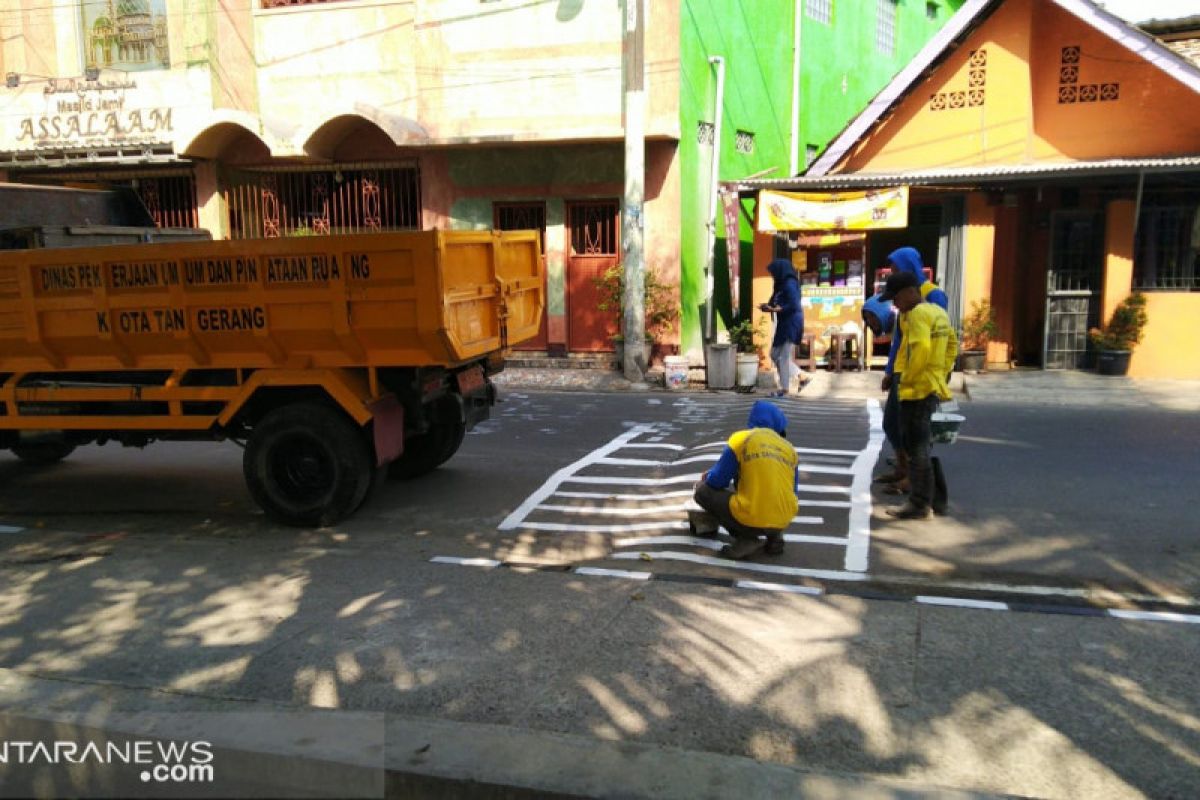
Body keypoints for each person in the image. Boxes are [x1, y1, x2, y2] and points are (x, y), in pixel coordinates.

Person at [877, 270, 958, 520]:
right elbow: (953, 345)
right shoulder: (938, 312)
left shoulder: (918, 314)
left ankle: (920, 503)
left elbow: (921, 348)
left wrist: (909, 380)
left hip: (917, 388)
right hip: (931, 385)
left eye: (897, 298)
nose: (895, 304)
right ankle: (931, 500)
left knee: (916, 447)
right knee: (920, 444)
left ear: (911, 292)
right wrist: (941, 372)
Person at [690, 400, 799, 559]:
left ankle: (746, 538)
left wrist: (709, 476)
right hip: (784, 516)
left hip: (753, 513)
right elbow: (792, 490)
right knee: (774, 496)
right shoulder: (789, 449)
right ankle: (775, 536)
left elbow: (717, 481)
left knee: (702, 491)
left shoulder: (742, 440)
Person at [760, 258, 805, 397]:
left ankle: (784, 389)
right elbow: (774, 302)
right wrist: (768, 307)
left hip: (792, 322)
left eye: (774, 272)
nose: (772, 275)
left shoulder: (790, 283)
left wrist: (780, 309)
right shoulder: (779, 285)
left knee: (784, 357)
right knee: (774, 354)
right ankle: (801, 376)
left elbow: (794, 304)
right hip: (783, 323)